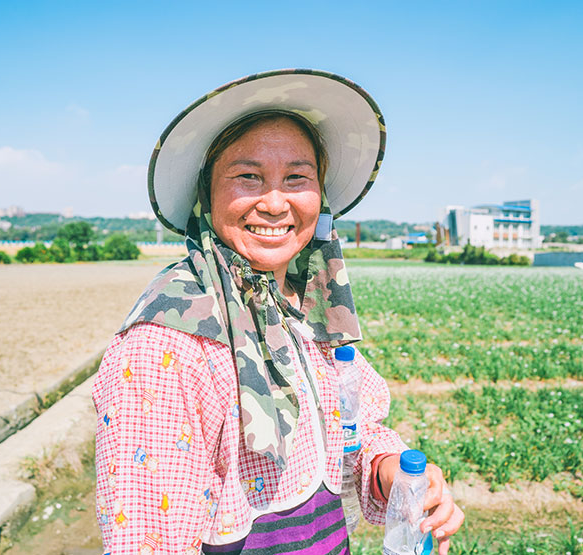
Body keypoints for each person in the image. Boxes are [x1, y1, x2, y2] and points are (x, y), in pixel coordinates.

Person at [93, 69, 464, 554]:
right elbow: (148, 539)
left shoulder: (304, 305)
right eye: (248, 176)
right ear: (207, 194)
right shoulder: (168, 341)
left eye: (296, 177)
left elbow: (348, 428)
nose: (274, 203)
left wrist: (389, 470)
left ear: (321, 196)